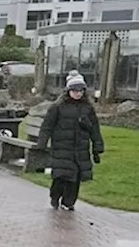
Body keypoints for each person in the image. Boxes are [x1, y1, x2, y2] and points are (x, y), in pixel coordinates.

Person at [36, 74, 104, 211]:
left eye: (80, 91)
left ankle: (69, 202)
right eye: (75, 90)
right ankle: (55, 197)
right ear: (68, 91)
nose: (78, 93)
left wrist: (97, 146)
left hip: (80, 148)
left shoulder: (88, 108)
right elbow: (47, 126)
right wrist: (42, 143)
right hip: (62, 147)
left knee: (76, 177)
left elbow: (95, 129)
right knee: (61, 176)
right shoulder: (58, 107)